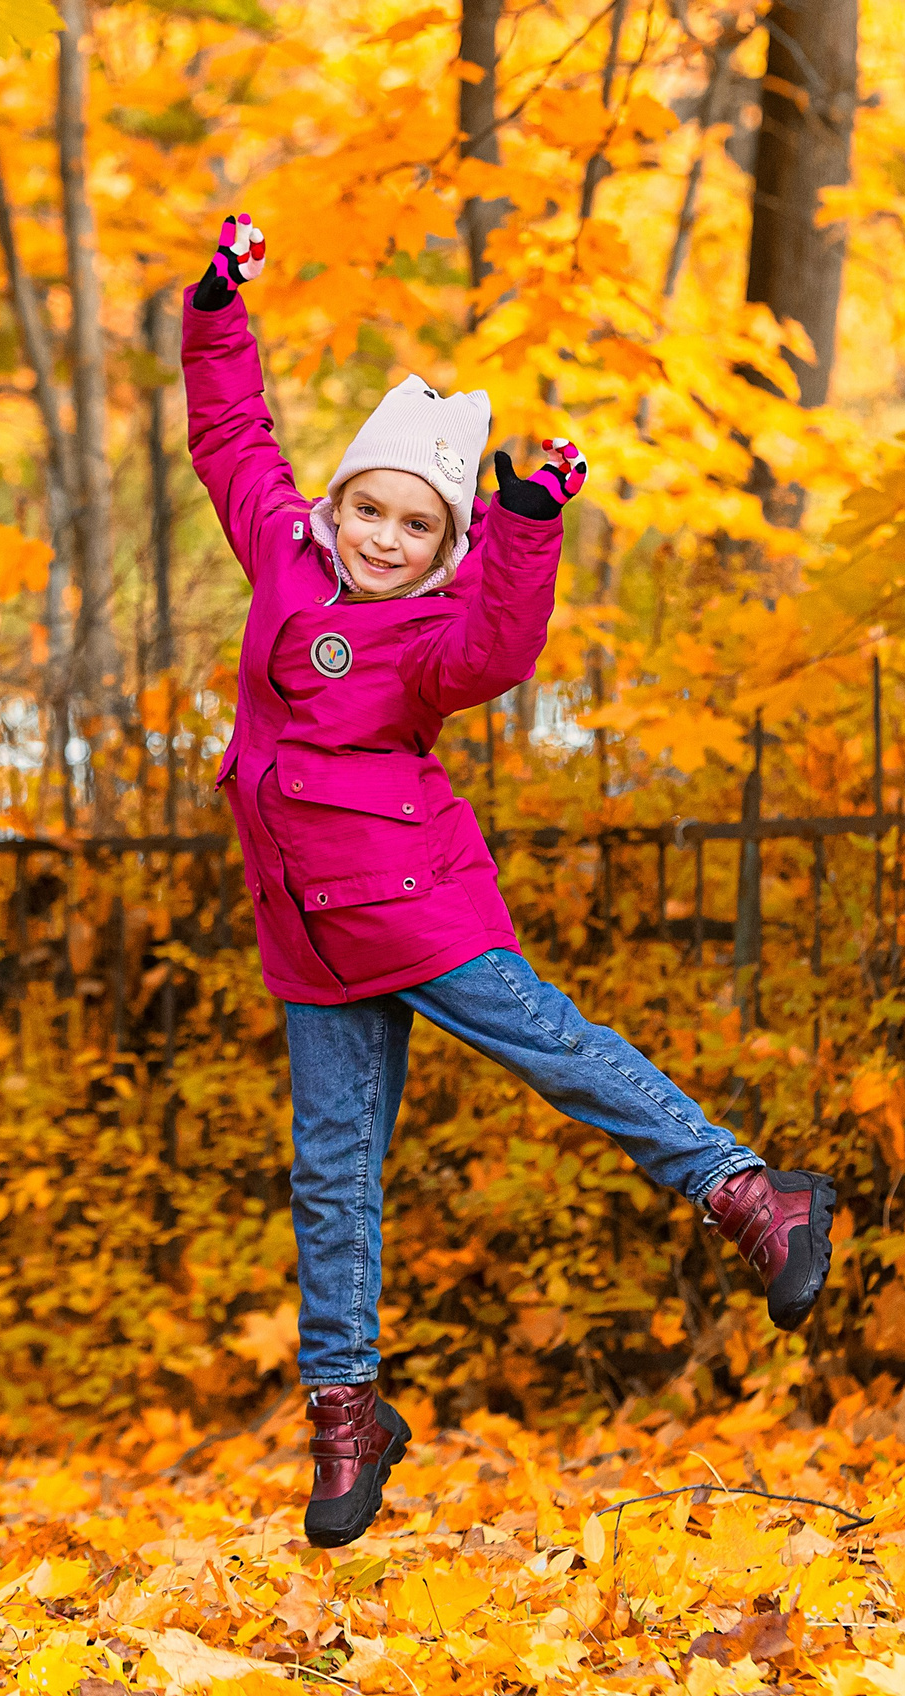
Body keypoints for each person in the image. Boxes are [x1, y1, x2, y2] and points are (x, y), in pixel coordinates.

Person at [181, 214, 838, 1548]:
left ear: (441, 544)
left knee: (561, 1053)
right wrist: (215, 309)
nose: (381, 536)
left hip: (412, 904)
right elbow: (231, 434)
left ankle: (749, 1194)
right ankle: (347, 1408)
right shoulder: (282, 553)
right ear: (337, 503)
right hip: (306, 935)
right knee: (330, 1175)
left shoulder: (432, 634)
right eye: (368, 507)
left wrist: (525, 528)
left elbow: (498, 647)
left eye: (414, 524)